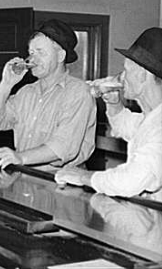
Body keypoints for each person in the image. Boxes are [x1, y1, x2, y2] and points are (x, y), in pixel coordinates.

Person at [55, 27, 162, 200]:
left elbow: (129, 181)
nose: (121, 77)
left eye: (127, 71)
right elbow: (128, 127)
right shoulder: (152, 118)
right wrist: (114, 103)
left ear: (143, 76)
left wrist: (82, 177)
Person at [0, 19, 96, 171]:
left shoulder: (78, 92)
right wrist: (6, 84)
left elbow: (63, 146)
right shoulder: (26, 92)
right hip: (26, 178)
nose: (32, 59)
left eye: (40, 52)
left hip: (61, 182)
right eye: (31, 53)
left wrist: (21, 157)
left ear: (61, 55)